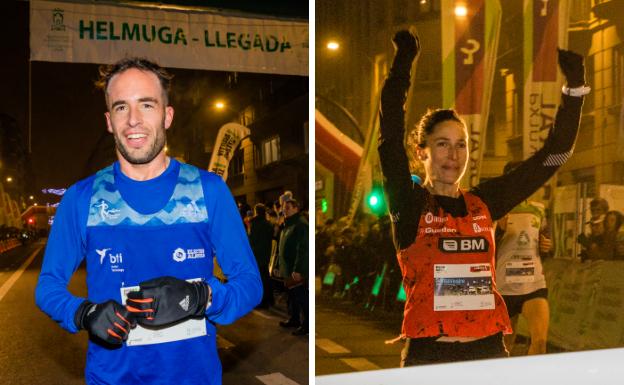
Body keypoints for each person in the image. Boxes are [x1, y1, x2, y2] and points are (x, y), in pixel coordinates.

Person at [35, 58, 262, 385]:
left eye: (146, 105)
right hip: (111, 378)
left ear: (167, 115)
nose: (134, 121)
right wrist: (83, 313)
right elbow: (47, 287)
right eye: (121, 108)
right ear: (109, 121)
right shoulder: (81, 198)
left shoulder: (208, 191)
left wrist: (200, 298)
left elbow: (250, 283)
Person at [378, 30, 586, 366]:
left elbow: (555, 154)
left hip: (487, 351)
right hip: (431, 354)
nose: (453, 154)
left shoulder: (483, 202)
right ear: (423, 152)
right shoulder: (409, 202)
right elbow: (388, 138)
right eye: (442, 144)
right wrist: (403, 61)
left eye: (461, 145)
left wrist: (574, 90)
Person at [495, 162, 553, 356]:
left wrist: (546, 246)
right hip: (504, 288)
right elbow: (481, 249)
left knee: (540, 342)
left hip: (533, 285)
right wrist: (497, 232)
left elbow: (546, 243)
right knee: (504, 350)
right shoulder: (496, 208)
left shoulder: (539, 209)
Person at [277, 197, 309, 336]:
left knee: (301, 296)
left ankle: (307, 324)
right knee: (292, 296)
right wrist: (279, 265)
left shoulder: (300, 224)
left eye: (288, 207)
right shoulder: (287, 225)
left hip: (295, 269)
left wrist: (298, 268)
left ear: (296, 208)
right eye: (284, 207)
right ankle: (294, 318)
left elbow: (303, 248)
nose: (285, 210)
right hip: (287, 268)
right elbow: (282, 247)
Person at [249, 203, 275, 308]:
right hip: (266, 254)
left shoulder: (254, 223)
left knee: (260, 279)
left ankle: (263, 301)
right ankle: (270, 299)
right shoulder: (268, 224)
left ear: (256, 211)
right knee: (266, 277)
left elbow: (252, 240)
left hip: (256, 254)